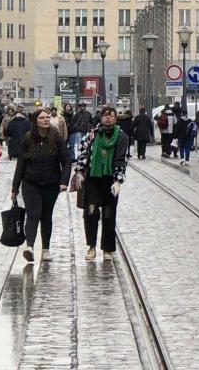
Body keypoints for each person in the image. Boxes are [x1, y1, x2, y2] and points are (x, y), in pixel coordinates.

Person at [11, 109, 71, 263]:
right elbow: (21, 164)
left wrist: (64, 181)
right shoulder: (28, 138)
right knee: (33, 214)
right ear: (35, 120)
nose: (45, 120)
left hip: (51, 183)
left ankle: (46, 249)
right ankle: (29, 246)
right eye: (42, 117)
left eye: (47, 117)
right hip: (31, 183)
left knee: (46, 216)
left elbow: (66, 160)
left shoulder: (56, 137)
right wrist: (15, 187)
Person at [75, 106, 129, 261]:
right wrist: (79, 171)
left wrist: (118, 180)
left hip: (110, 180)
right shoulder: (93, 134)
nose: (108, 118)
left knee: (109, 214)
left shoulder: (122, 136)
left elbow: (121, 159)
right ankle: (91, 247)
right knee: (91, 212)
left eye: (111, 116)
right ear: (100, 118)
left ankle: (107, 249)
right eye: (105, 116)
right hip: (93, 177)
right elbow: (83, 152)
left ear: (115, 118)